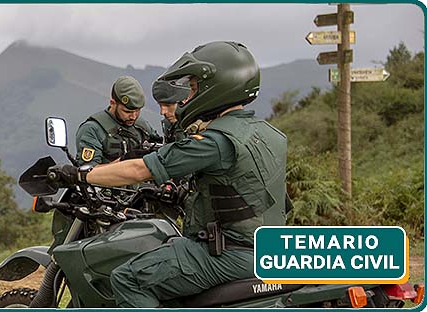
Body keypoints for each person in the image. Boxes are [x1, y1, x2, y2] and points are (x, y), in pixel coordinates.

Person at [49, 41, 287, 307]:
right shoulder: (271, 134)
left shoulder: (214, 141)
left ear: (217, 88)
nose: (188, 96)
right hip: (266, 252)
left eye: (194, 88)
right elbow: (242, 190)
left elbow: (140, 169)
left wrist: (81, 175)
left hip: (227, 254)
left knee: (128, 278)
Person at [48, 76, 159, 250]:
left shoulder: (141, 126)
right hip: (104, 204)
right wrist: (125, 161)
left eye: (137, 111)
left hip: (139, 202)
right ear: (113, 103)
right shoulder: (93, 129)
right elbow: (89, 172)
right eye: (128, 111)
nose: (133, 116)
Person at [151, 76, 191, 143]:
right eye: (160, 105)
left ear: (185, 101)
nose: (162, 112)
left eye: (168, 105)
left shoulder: (202, 127)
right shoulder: (169, 126)